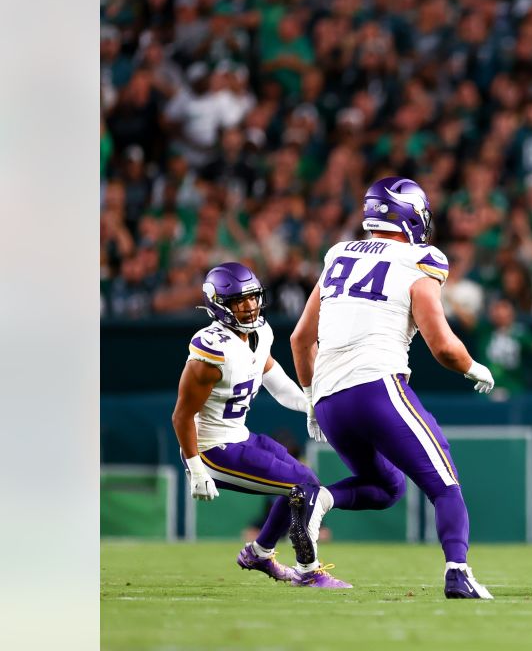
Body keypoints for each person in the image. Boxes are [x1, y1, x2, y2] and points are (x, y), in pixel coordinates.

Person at [287, 177, 498, 600]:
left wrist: (311, 398)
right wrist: (475, 367)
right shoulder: (420, 260)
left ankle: (319, 500)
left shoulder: (338, 254)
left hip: (329, 398)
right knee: (445, 484)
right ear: (412, 214)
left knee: (386, 487)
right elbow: (442, 345)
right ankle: (458, 572)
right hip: (378, 387)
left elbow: (299, 338)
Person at [171, 262, 344, 587]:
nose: (249, 306)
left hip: (240, 435)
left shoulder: (259, 333)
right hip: (211, 449)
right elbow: (181, 415)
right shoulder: (210, 354)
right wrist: (195, 468)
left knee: (305, 480)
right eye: (239, 300)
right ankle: (308, 571)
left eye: (252, 298)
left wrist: (309, 404)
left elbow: (275, 380)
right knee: (303, 488)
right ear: (218, 305)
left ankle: (260, 553)